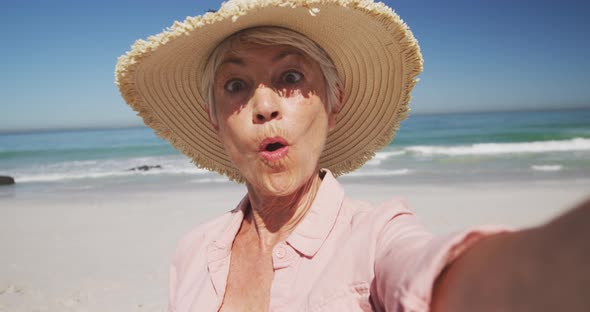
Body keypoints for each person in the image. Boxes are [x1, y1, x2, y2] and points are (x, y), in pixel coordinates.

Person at [115, 1, 590, 311]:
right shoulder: (194, 251)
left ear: (333, 102)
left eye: (292, 78)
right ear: (215, 119)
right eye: (236, 86)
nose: (264, 106)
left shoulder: (375, 237)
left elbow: (443, 276)